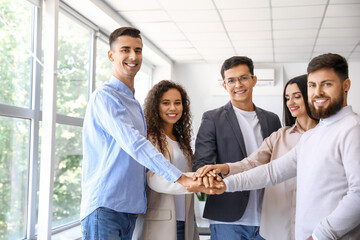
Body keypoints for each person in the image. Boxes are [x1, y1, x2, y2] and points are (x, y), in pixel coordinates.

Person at [192, 53, 360, 240]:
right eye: (312, 85)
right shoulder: (313, 136)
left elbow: (358, 194)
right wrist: (226, 184)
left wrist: (320, 235)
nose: (317, 92)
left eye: (326, 84)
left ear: (346, 85)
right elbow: (272, 172)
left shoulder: (352, 129)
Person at [81, 27, 198, 240]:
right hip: (105, 207)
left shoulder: (134, 104)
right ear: (111, 55)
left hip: (130, 211)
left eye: (138, 50)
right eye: (125, 50)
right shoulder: (105, 97)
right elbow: (135, 144)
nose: (133, 56)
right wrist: (180, 178)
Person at [194, 74, 318, 240]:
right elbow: (253, 163)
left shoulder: (327, 135)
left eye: (297, 96)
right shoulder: (280, 136)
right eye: (287, 98)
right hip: (277, 225)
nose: (291, 103)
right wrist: (226, 168)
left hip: (312, 221)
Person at [192, 56, 282, 240]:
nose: (238, 85)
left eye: (243, 78)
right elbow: (202, 164)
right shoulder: (212, 118)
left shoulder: (272, 119)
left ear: (254, 80)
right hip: (228, 219)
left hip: (268, 217)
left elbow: (279, 164)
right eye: (231, 80)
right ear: (224, 85)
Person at [132, 80, 199, 240]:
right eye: (166, 103)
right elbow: (154, 178)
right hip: (160, 222)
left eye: (178, 103)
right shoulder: (151, 138)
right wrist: (192, 185)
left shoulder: (182, 141)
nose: (173, 108)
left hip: (185, 220)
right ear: (156, 106)